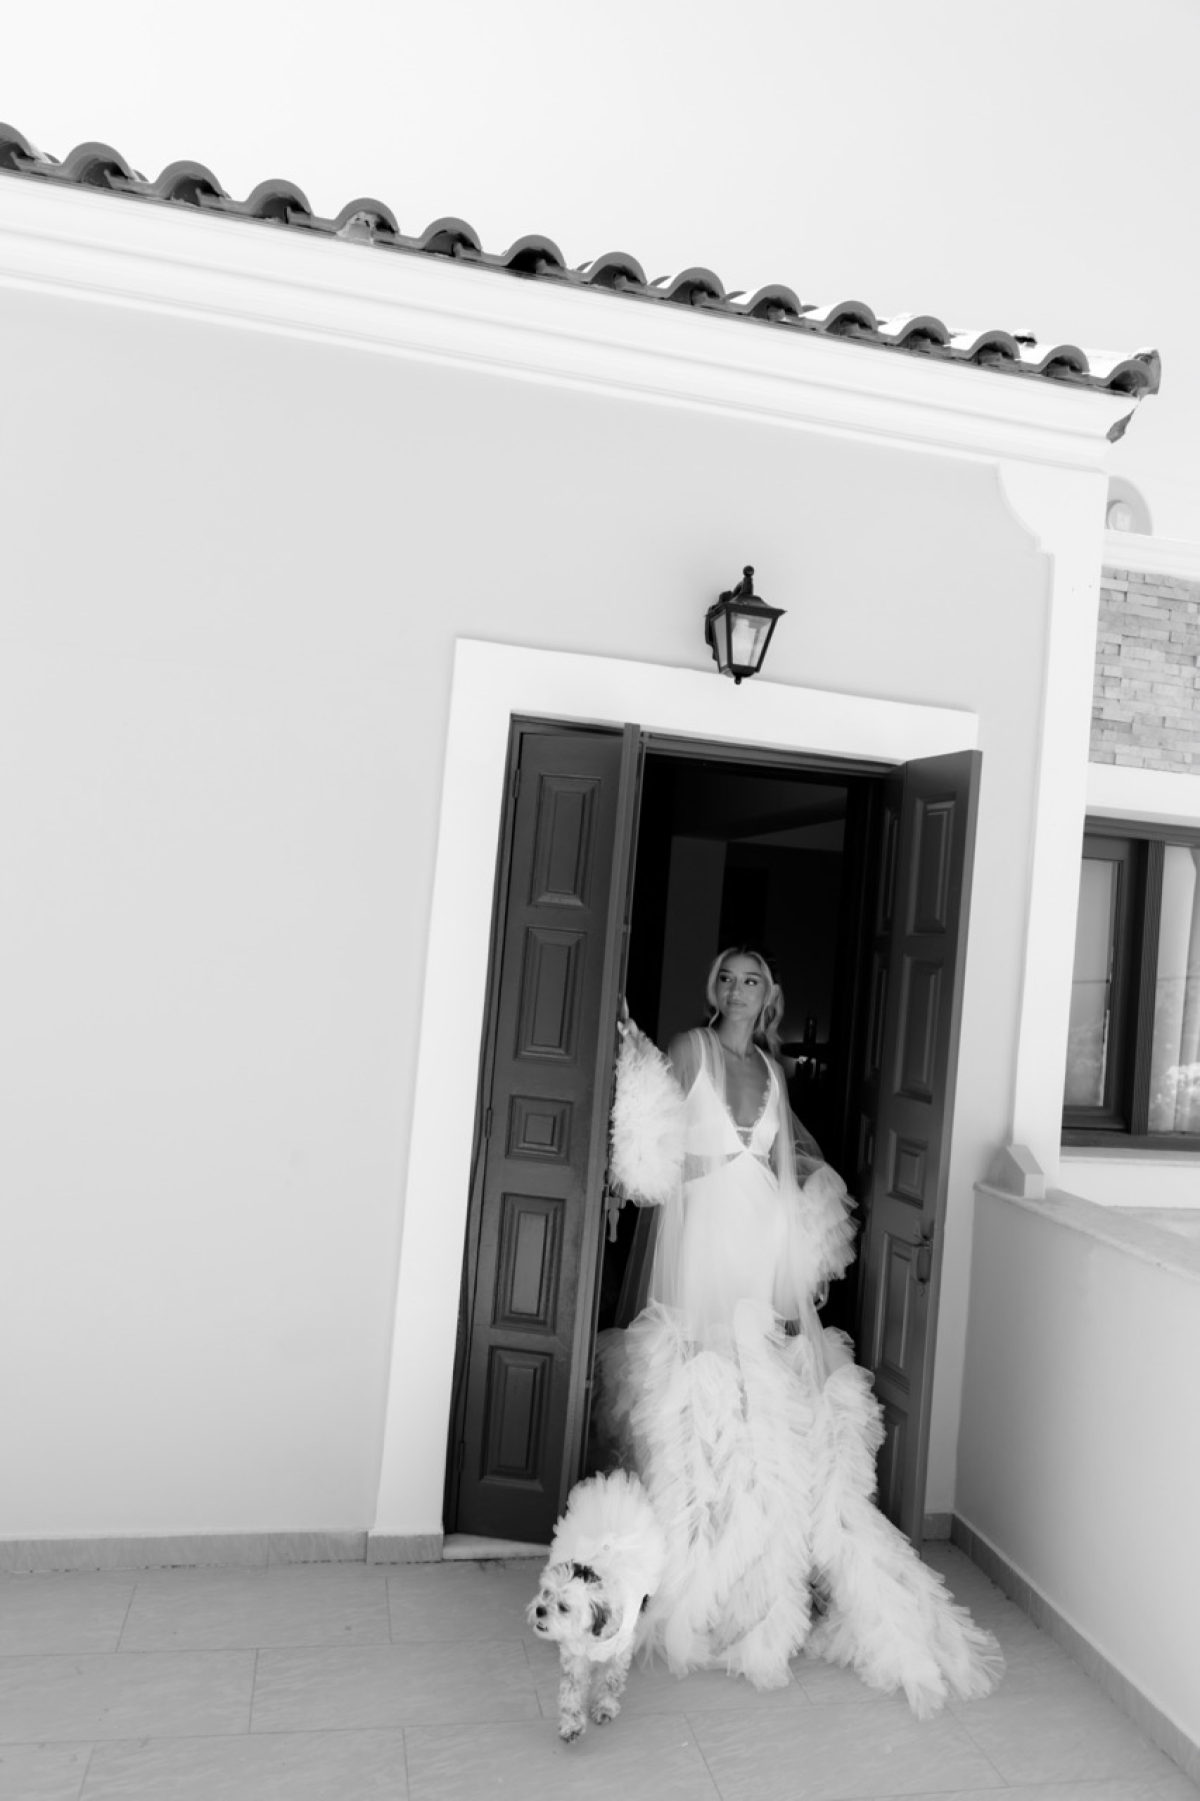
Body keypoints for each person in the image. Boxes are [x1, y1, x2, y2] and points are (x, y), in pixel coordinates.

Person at [595, 947, 1002, 1717]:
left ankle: (764, 1575)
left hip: (758, 1239)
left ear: (768, 995)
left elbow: (784, 1176)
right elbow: (655, 1137)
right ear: (714, 987)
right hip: (702, 1237)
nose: (738, 990)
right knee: (703, 1397)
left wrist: (792, 1285)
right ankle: (703, 1574)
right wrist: (629, 1044)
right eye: (728, 978)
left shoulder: (774, 1073)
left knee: (766, 1401)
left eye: (752, 980)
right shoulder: (692, 1048)